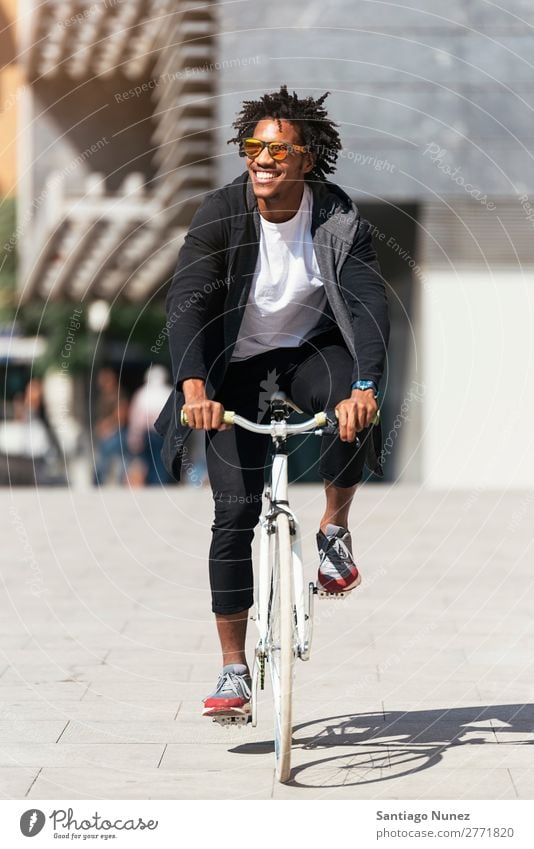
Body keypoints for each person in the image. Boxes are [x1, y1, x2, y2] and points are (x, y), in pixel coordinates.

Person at [154, 85, 390, 719]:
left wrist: (366, 385)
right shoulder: (220, 214)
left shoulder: (337, 216)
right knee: (233, 514)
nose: (260, 158)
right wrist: (195, 388)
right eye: (251, 147)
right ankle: (233, 670)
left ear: (305, 159)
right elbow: (189, 301)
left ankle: (334, 529)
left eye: (275, 149)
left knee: (354, 403)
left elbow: (367, 304)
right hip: (234, 366)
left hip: (310, 353)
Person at [126, 365, 174, 485]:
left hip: (148, 433)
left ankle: (154, 482)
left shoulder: (142, 393)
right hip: (163, 433)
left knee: (149, 460)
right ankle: (159, 482)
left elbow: (135, 417)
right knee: (161, 460)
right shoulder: (169, 392)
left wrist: (133, 436)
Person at [93, 367, 129, 485]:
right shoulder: (103, 396)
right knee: (104, 460)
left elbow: (121, 415)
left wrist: (106, 425)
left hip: (117, 432)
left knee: (114, 460)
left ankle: (115, 482)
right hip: (105, 434)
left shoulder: (118, 394)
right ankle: (100, 483)